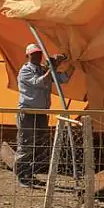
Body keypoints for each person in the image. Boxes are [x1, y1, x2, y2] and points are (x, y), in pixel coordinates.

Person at [15, 43, 74, 187]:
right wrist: (52, 68)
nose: (37, 55)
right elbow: (39, 83)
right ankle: (23, 176)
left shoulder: (42, 69)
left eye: (38, 53)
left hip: (42, 113)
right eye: (33, 53)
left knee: (39, 145)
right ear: (27, 56)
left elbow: (63, 79)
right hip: (28, 112)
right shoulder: (25, 71)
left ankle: (30, 173)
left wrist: (73, 64)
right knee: (26, 145)